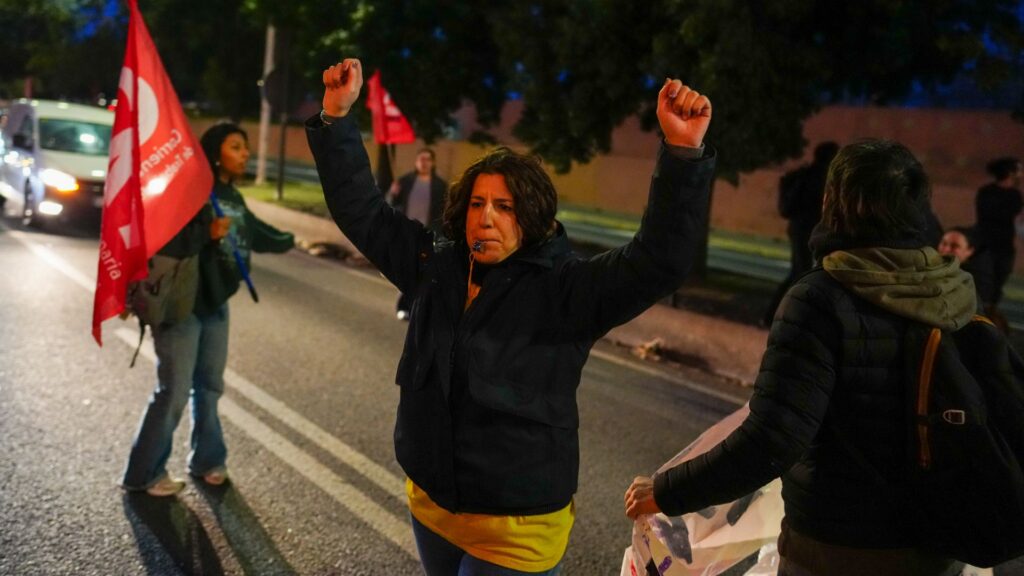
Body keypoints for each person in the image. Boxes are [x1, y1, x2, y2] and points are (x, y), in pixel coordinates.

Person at [307, 58, 714, 575]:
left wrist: (682, 153)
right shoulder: (437, 264)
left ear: (533, 215)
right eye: (478, 203)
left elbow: (657, 262)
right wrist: (337, 118)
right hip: (433, 506)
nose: (487, 217)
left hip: (516, 530)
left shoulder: (565, 289)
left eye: (505, 206)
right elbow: (361, 211)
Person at [626, 140, 975, 576]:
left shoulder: (821, 298)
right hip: (938, 547)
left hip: (839, 549)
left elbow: (773, 439)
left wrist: (668, 491)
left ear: (834, 201)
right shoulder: (954, 291)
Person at [122, 122, 295, 497]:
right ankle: (142, 473)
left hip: (215, 305)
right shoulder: (190, 192)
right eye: (236, 147)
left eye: (246, 147)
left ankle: (207, 460)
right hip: (181, 307)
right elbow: (163, 238)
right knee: (174, 391)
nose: (245, 153)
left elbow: (256, 232)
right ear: (216, 154)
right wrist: (206, 233)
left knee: (210, 388)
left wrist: (291, 239)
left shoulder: (232, 195)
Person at [762, 141, 839, 327]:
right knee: (801, 273)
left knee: (800, 272)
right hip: (807, 231)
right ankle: (780, 317)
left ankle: (776, 316)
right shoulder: (820, 178)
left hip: (801, 229)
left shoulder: (809, 175)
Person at [387, 147, 448, 320]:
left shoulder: (440, 186)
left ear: (433, 163)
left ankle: (414, 307)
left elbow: (445, 212)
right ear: (416, 162)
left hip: (429, 235)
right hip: (406, 233)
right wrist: (392, 193)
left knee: (423, 273)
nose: (424, 162)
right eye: (421, 159)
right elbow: (390, 204)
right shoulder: (405, 181)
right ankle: (405, 306)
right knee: (408, 271)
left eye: (428, 159)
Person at [974, 156, 1022, 308]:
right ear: (1010, 172)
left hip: (1005, 247)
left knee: (998, 285)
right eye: (1018, 169)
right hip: (985, 246)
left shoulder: (1015, 195)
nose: (1020, 173)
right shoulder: (987, 192)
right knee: (983, 285)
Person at [938, 225, 1003, 331]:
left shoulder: (976, 281)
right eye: (944, 243)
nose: (946, 249)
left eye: (955, 246)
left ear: (970, 250)